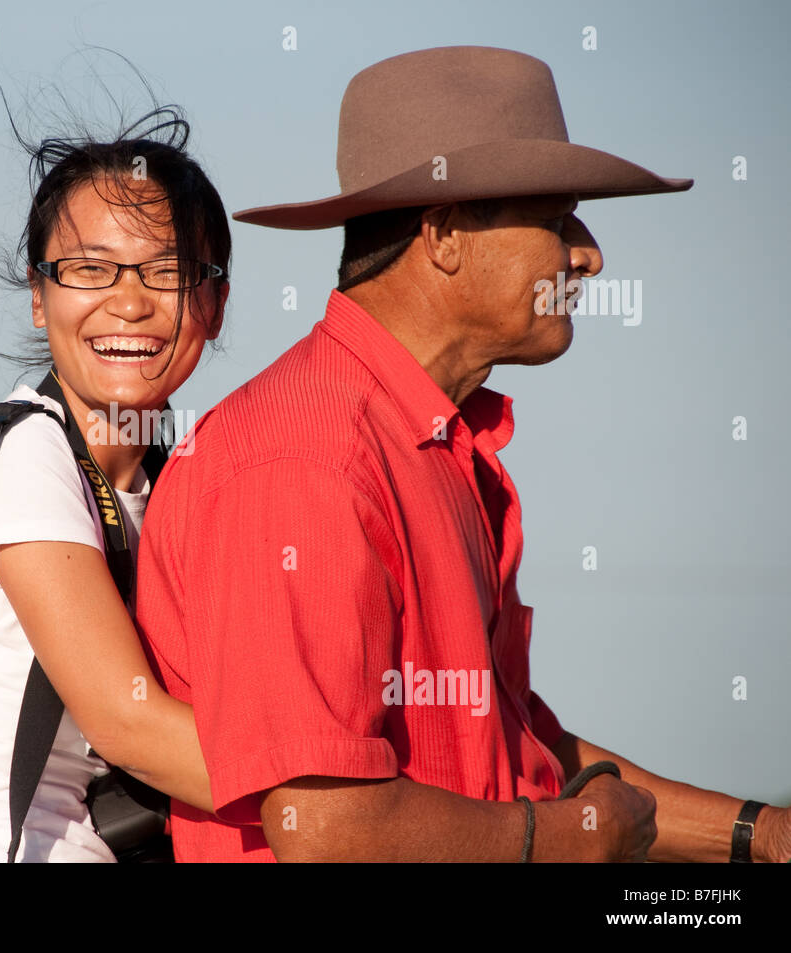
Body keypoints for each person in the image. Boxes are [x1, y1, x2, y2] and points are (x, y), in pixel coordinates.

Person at [134, 45, 791, 862]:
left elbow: (524, 752)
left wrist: (762, 836)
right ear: (443, 234)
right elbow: (324, 825)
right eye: (555, 221)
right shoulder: (305, 461)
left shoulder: (433, 442)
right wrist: (559, 839)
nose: (587, 254)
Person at [0, 106, 229, 861]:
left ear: (215, 303)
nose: (129, 302)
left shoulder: (176, 479)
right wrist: (353, 800)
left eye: (166, 271)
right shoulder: (30, 454)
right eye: (90, 269)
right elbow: (128, 724)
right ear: (39, 298)